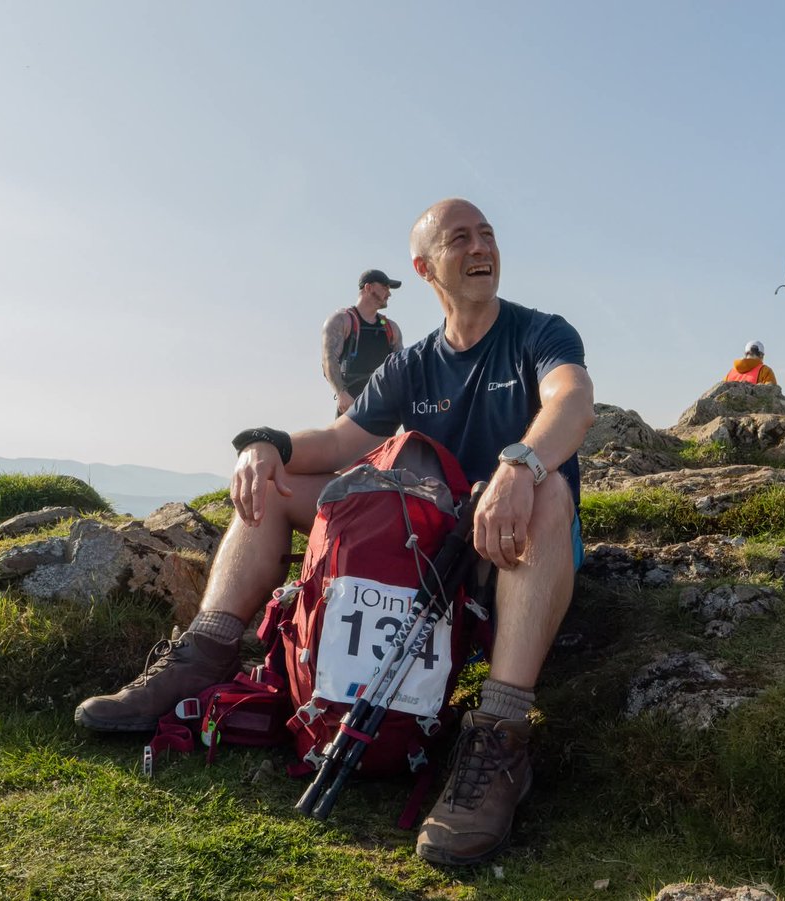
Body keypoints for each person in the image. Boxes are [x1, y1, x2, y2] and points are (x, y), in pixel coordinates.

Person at [75, 198, 596, 868]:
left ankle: (499, 732)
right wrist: (266, 445)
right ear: (426, 266)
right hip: (426, 554)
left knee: (550, 490)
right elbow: (343, 439)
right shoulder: (413, 364)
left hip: (515, 549)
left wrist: (520, 464)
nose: (480, 247)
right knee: (273, 487)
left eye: (487, 235)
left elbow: (572, 400)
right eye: (460, 237)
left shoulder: (539, 333)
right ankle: (203, 656)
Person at [321, 269, 405, 415]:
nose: (389, 293)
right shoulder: (342, 320)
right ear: (368, 287)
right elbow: (329, 359)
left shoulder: (390, 327)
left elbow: (401, 367)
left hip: (382, 404)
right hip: (351, 404)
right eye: (385, 287)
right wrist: (341, 393)